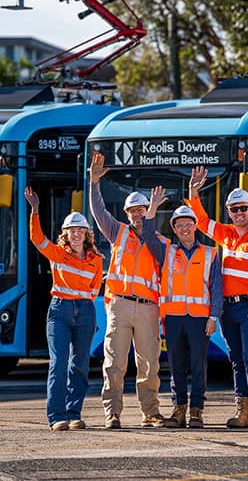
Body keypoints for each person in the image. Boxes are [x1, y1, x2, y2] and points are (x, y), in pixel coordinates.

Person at [187, 166, 248, 429]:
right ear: (228, 211)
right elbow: (201, 221)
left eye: (244, 208)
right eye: (234, 209)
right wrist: (193, 192)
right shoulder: (225, 234)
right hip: (229, 308)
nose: (239, 213)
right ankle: (242, 411)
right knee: (236, 359)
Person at [88, 153, 165, 429]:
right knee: (114, 363)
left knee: (149, 365)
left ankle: (150, 412)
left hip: (148, 308)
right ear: (126, 213)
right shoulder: (117, 232)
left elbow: (160, 258)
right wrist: (94, 183)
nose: (137, 214)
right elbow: (98, 212)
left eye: (141, 209)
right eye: (132, 210)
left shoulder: (159, 241)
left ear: (149, 210)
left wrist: (152, 217)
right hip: (119, 305)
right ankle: (113, 413)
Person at [141, 187, 224, 429]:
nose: (185, 228)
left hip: (200, 320)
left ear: (195, 226)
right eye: (180, 225)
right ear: (174, 229)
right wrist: (153, 208)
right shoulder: (167, 251)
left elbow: (217, 287)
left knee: (199, 366)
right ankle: (178, 410)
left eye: (188, 224)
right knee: (176, 366)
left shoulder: (210, 253)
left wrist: (214, 316)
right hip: (174, 318)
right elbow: (148, 235)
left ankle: (196, 411)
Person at [24, 187, 104, 432]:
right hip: (60, 310)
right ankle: (56, 416)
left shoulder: (96, 260)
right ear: (66, 234)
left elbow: (95, 288)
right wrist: (35, 210)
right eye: (72, 231)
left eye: (81, 231)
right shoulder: (57, 254)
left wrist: (84, 305)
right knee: (58, 363)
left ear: (87, 234)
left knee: (79, 364)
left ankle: (74, 413)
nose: (77, 235)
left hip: (85, 312)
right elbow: (37, 238)